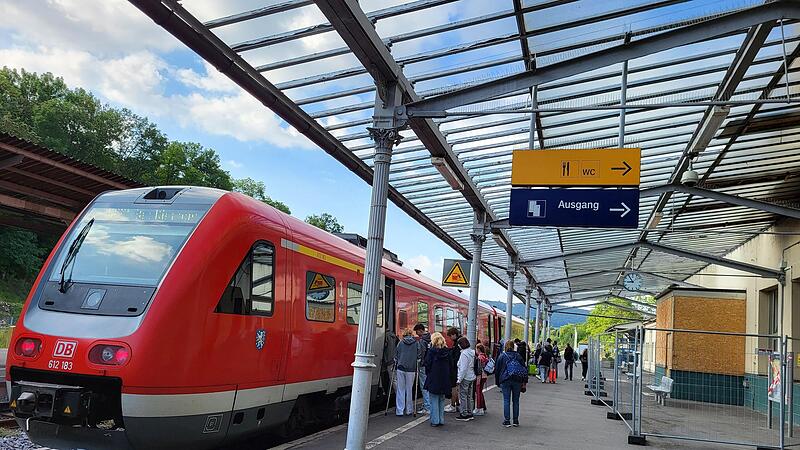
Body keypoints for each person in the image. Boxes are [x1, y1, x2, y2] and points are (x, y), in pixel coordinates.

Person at [495, 340, 526, 427]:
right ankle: (515, 421)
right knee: (516, 401)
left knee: (506, 400)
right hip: (517, 380)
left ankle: (507, 421)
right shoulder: (518, 356)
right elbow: (524, 369)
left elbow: (497, 370)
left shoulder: (502, 356)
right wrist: (524, 382)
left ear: (505, 346)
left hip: (505, 380)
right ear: (514, 346)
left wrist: (498, 382)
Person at [424, 332, 451, 427]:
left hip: (434, 378)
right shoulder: (447, 352)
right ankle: (441, 420)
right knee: (441, 400)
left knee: (434, 400)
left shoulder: (431, 351)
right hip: (444, 379)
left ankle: (435, 420)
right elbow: (451, 366)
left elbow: (427, 364)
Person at [394, 328, 421, 416]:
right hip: (411, 370)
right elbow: (419, 356)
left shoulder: (400, 343)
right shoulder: (416, 343)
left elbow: (396, 355)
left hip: (400, 369)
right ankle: (409, 410)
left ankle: (399, 410)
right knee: (409, 389)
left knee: (400, 389)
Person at [455, 336, 476, 421]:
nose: (458, 346)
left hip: (465, 377)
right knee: (469, 396)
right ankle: (470, 412)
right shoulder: (472, 352)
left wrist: (459, 379)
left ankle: (464, 413)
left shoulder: (464, 354)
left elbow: (463, 368)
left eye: (459, 344)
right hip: (471, 377)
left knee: (463, 396)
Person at [414, 323, 432, 414]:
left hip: (423, 366)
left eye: (417, 331)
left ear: (420, 330)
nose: (416, 334)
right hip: (430, 365)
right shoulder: (431, 338)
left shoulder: (422, 341)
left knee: (423, 386)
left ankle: (427, 406)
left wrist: (419, 363)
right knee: (428, 385)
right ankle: (428, 404)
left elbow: (421, 354)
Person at [445, 327, 461, 412]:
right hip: (457, 368)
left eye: (450, 336)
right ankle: (457, 404)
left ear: (454, 334)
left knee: (453, 387)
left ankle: (452, 406)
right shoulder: (458, 342)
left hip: (455, 368)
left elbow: (456, 358)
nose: (450, 338)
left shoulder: (457, 343)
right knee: (455, 387)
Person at [474, 343, 489, 416]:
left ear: (478, 349)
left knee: (478, 392)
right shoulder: (485, 356)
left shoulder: (480, 357)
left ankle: (479, 408)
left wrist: (478, 378)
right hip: (484, 376)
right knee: (480, 392)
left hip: (480, 376)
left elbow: (479, 369)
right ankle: (483, 407)